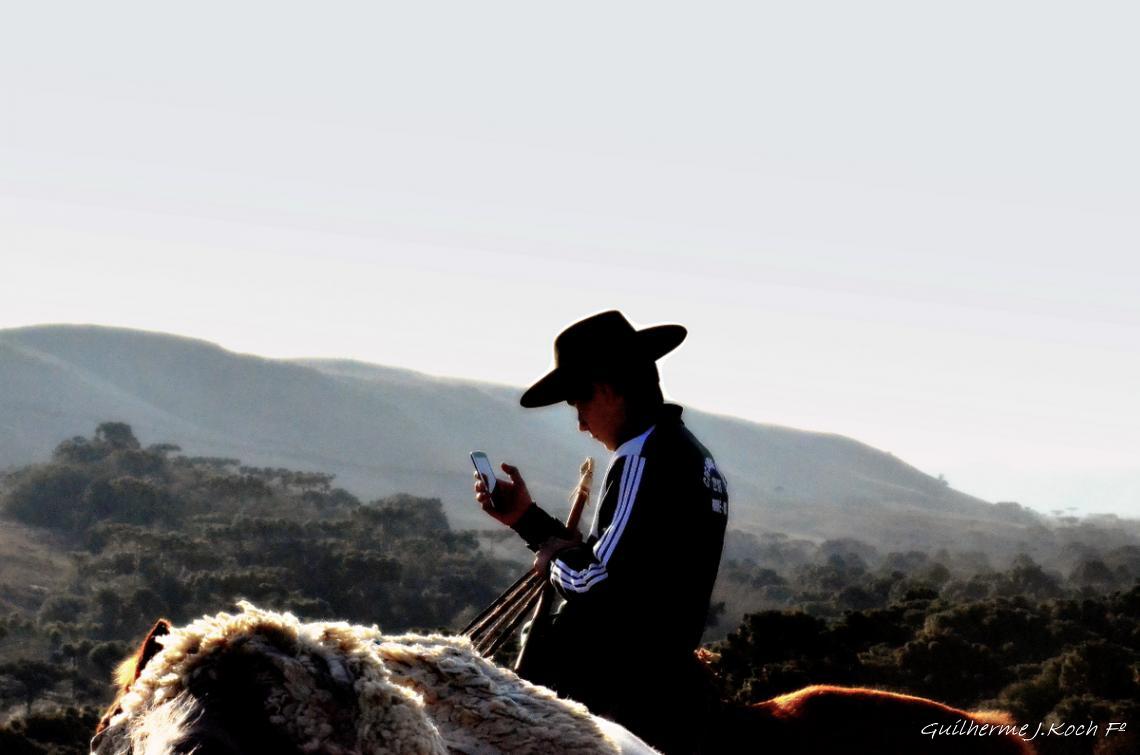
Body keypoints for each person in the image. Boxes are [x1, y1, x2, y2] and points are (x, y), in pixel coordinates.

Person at [472, 310, 728, 753]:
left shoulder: (642, 458)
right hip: (661, 675)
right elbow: (612, 557)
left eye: (580, 404)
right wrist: (527, 519)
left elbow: (595, 580)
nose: (581, 423)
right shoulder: (688, 454)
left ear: (608, 391)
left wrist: (552, 563)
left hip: (618, 682)